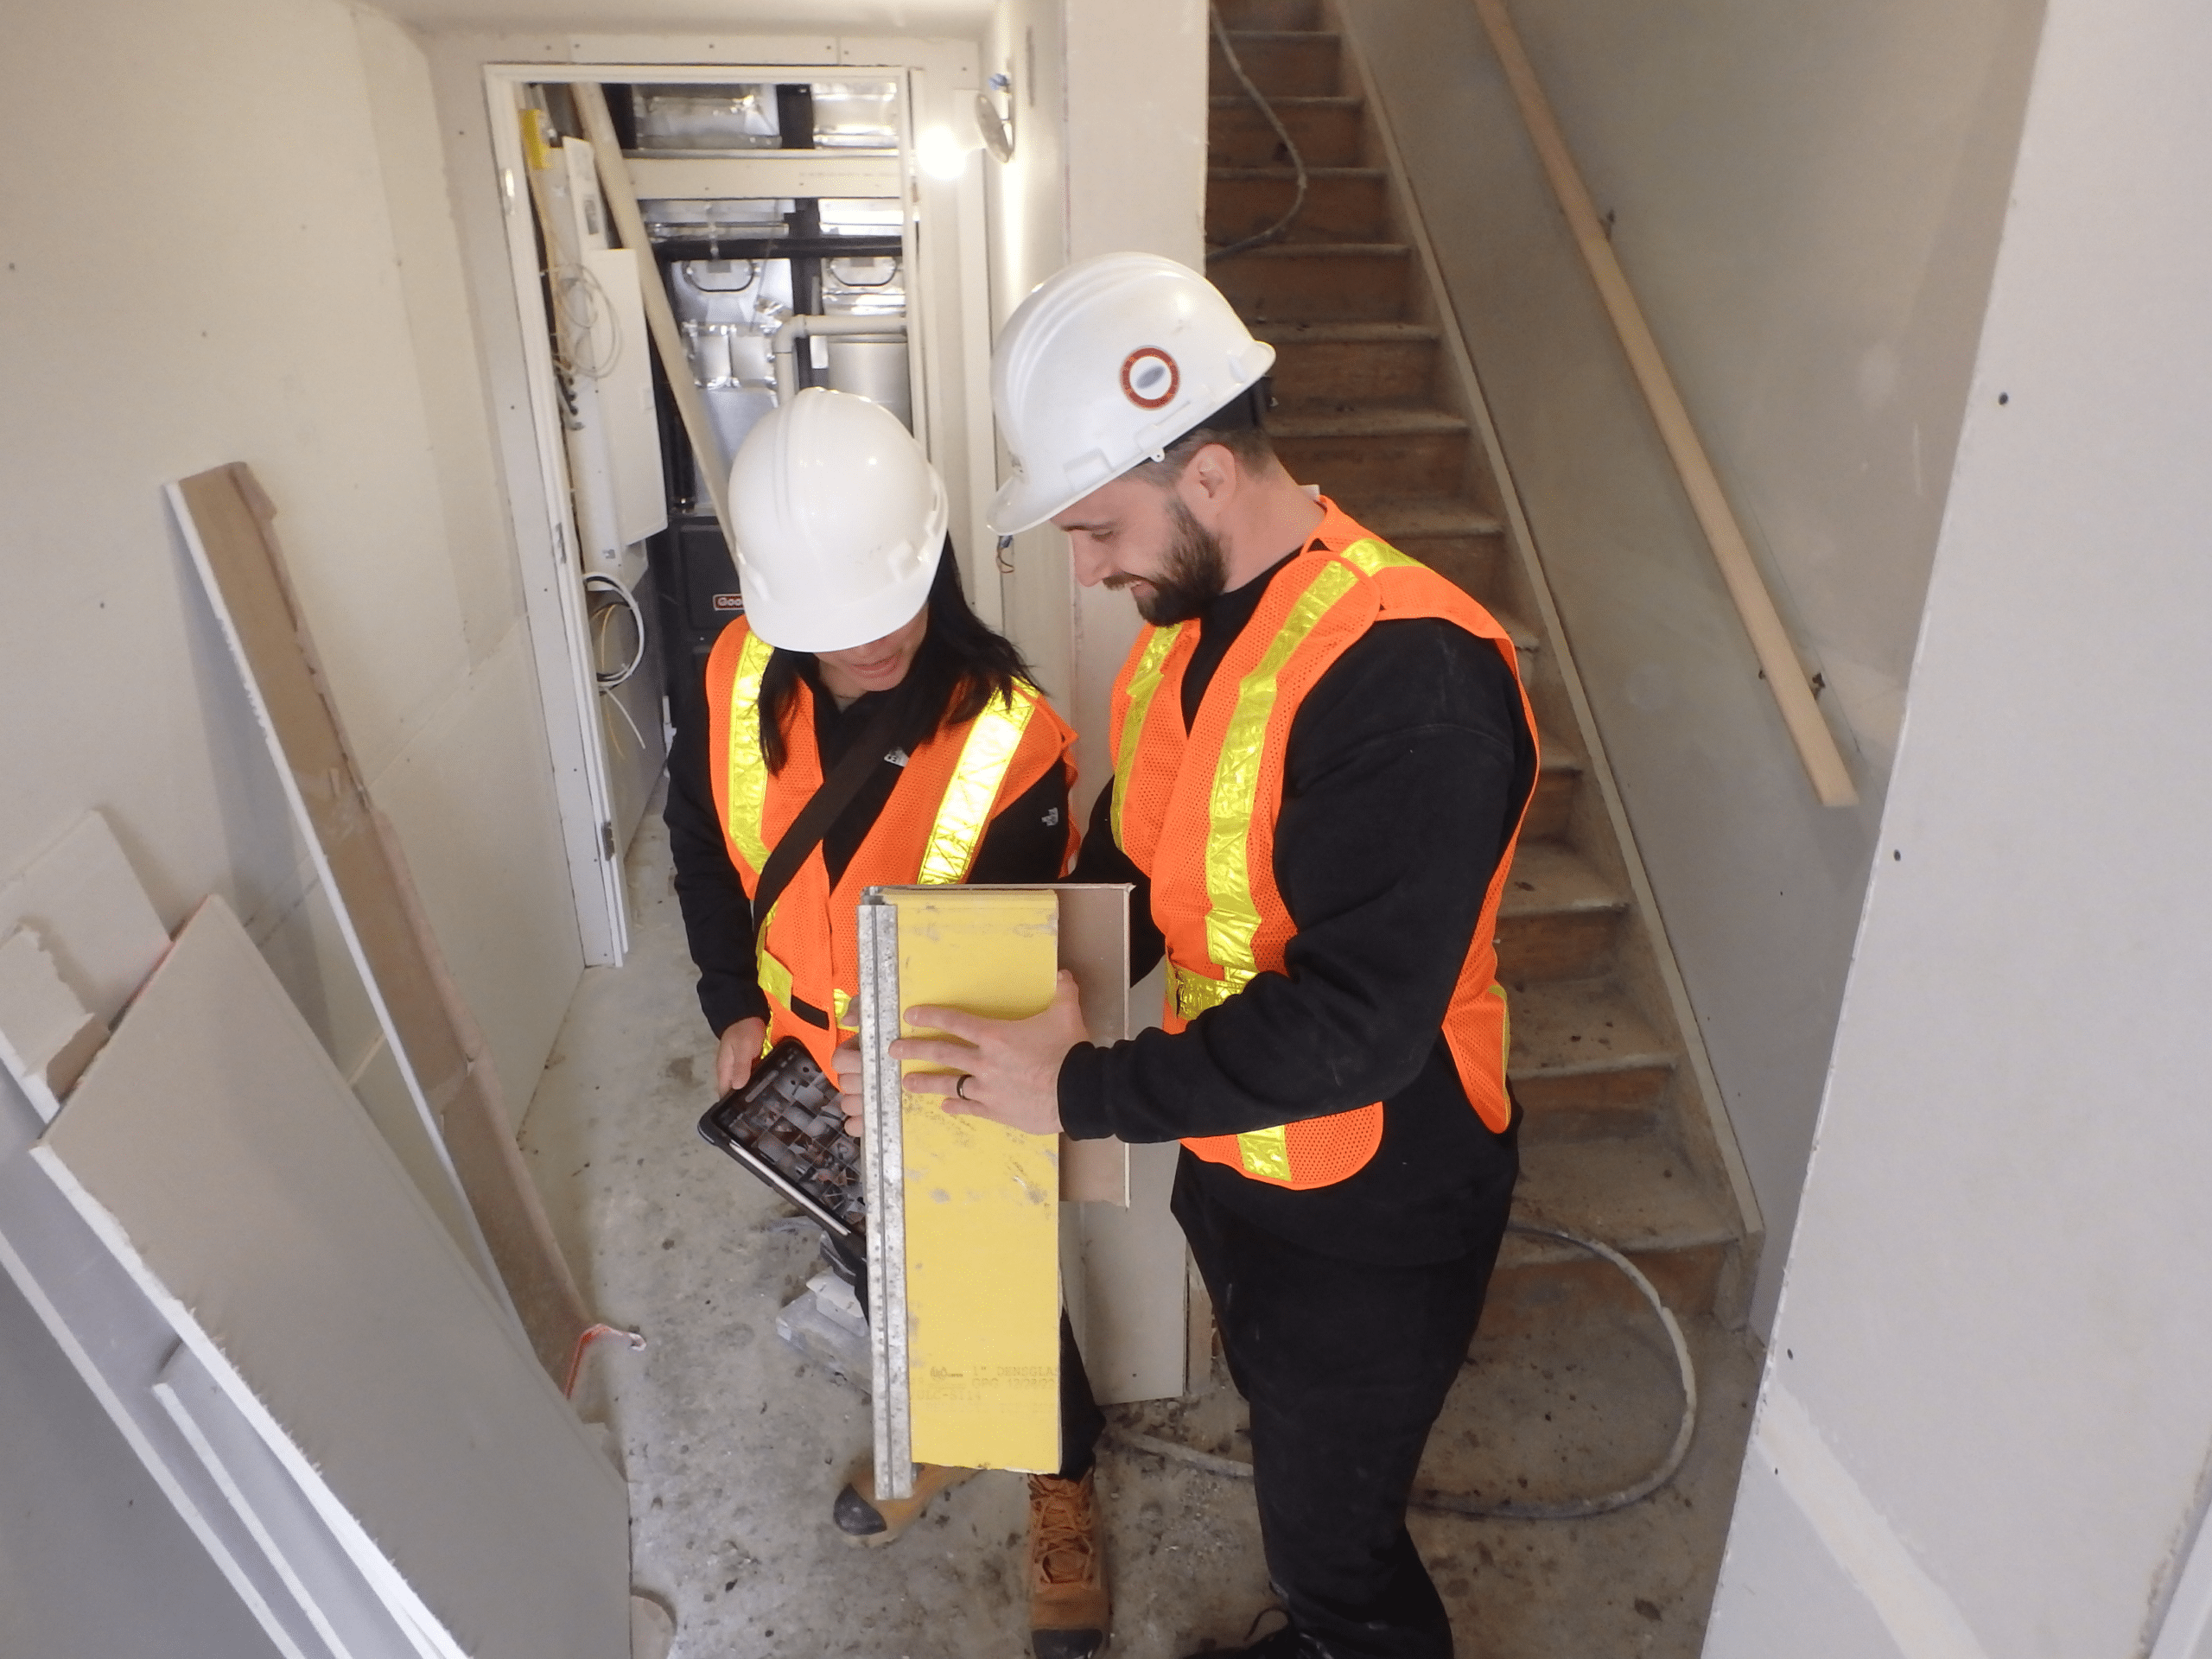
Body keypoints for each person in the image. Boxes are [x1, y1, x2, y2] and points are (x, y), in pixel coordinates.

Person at [882, 254, 1537, 1659]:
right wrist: (1050, 966)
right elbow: (1139, 844)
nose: (1087, 564)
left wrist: (1080, 1090)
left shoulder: (1413, 680)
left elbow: (1359, 1028)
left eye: (1098, 525)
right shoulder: (1183, 646)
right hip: (1244, 1167)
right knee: (1300, 1481)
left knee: (1340, 1547)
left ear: (1206, 475)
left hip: (1379, 1205)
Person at [664, 388, 1112, 1659]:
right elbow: (706, 850)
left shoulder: (1010, 741)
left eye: (895, 607)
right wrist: (736, 1004)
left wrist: (911, 1073)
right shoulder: (739, 669)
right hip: (803, 1066)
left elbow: (1021, 962)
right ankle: (944, 1429)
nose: (874, 644)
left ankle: (1060, 1477)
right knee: (878, 1268)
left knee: (996, 1277)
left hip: (948, 1069)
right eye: (841, 624)